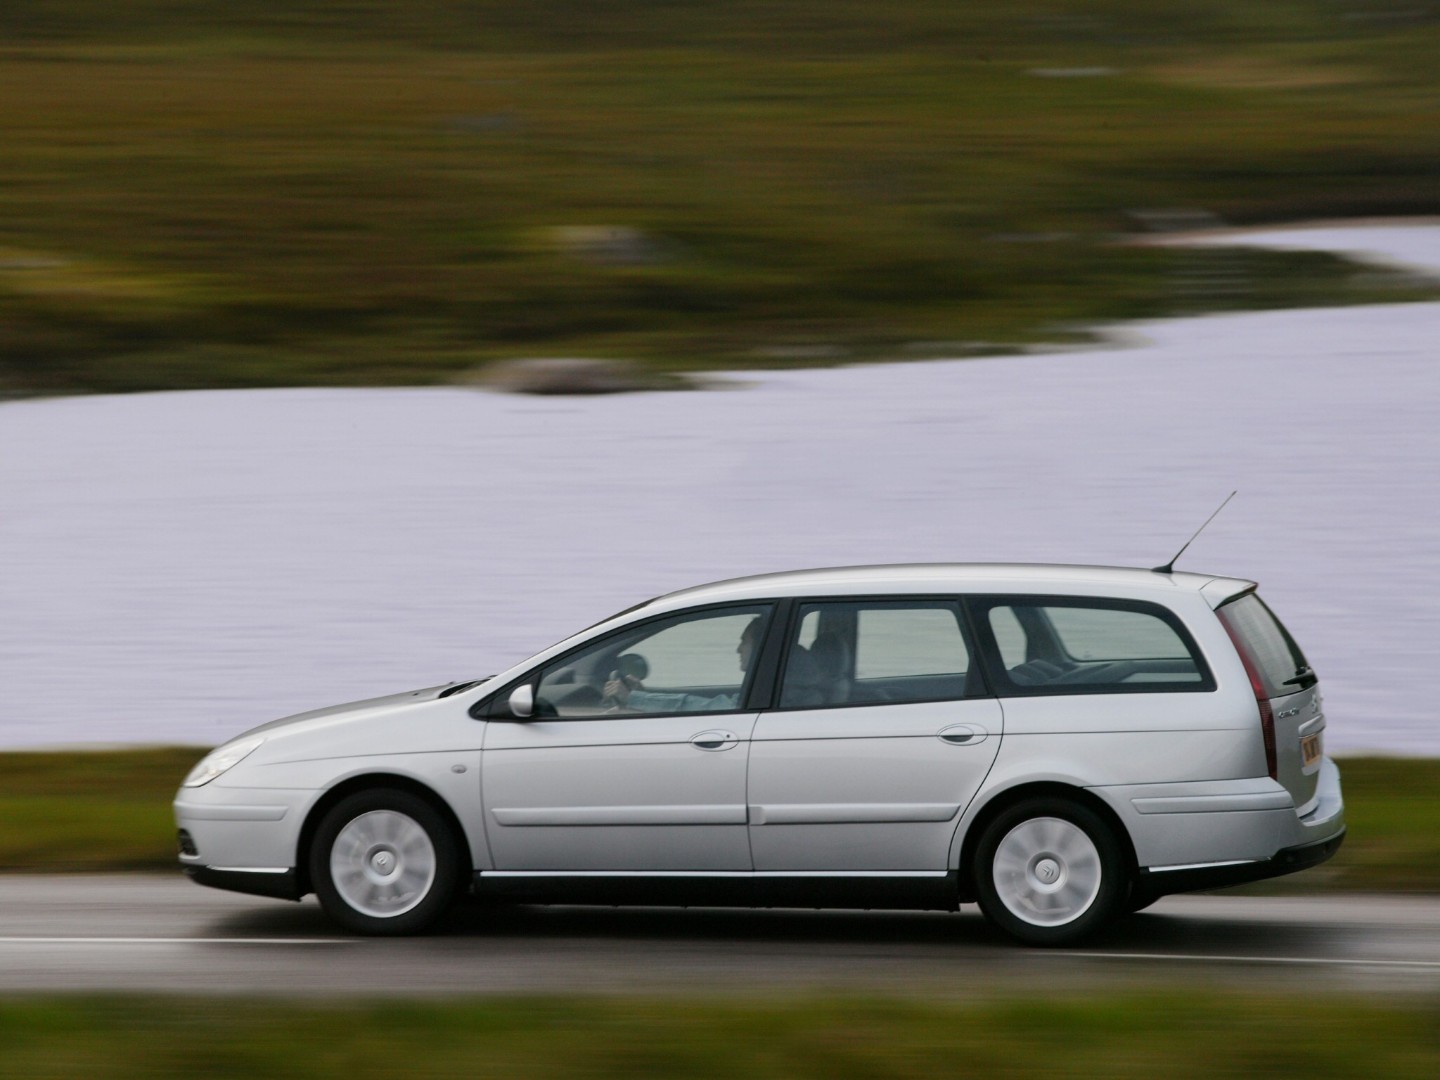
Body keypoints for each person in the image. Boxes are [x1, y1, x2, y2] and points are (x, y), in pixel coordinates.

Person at [603, 616, 762, 713]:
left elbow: (708, 708)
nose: (738, 650)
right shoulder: (762, 689)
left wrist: (634, 698)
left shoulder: (768, 691)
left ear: (759, 645)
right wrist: (643, 696)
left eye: (744, 642)